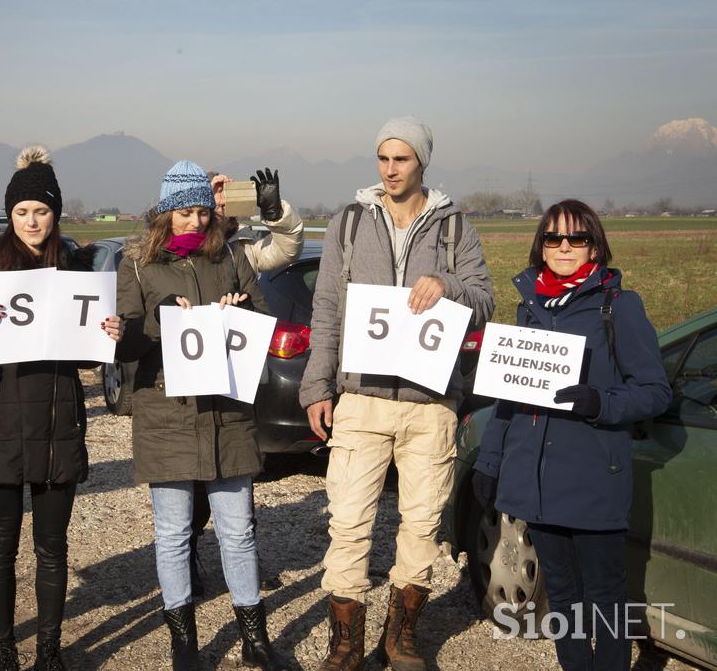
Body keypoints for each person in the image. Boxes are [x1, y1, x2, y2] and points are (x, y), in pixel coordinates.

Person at [298, 117, 494, 671]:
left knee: (422, 522)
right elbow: (327, 309)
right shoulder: (350, 223)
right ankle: (345, 642)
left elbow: (484, 299)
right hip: (361, 400)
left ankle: (402, 635)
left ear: (422, 162)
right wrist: (318, 385)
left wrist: (448, 286)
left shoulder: (455, 226)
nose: (389, 169)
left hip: (430, 403)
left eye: (401, 159)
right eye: (382, 158)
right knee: (349, 520)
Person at [472, 200, 671, 671]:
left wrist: (601, 402)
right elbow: (509, 397)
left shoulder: (617, 306)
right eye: (553, 238)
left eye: (576, 239)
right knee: (562, 598)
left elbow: (655, 391)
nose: (564, 247)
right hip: (540, 486)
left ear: (594, 246)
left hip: (594, 479)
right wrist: (490, 462)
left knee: (604, 598)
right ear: (540, 245)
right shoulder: (529, 308)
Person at [116, 160, 290, 671]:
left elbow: (260, 322)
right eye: (184, 212)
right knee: (173, 534)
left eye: (201, 212)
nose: (194, 221)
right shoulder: (137, 265)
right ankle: (184, 647)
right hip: (166, 415)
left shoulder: (232, 257)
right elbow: (126, 344)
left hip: (227, 414)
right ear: (165, 214)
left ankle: (255, 642)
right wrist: (154, 320)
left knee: (238, 532)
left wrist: (242, 313)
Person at [0, 146, 123, 671]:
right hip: (0, 420)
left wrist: (107, 337)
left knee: (52, 546)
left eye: (42, 211)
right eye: (22, 211)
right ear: (10, 214)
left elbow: (87, 359)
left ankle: (49, 649)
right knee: (1, 546)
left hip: (58, 419)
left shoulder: (77, 268)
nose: (31, 221)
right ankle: (4, 649)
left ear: (55, 214)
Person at [187, 167, 304, 596]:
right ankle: (190, 552)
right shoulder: (180, 250)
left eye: (229, 199)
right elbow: (162, 232)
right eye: (215, 200)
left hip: (235, 374)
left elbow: (290, 247)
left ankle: (243, 560)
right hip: (191, 372)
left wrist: (273, 210)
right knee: (195, 477)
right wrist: (203, 203)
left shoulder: (244, 253)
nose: (223, 207)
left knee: (238, 472)